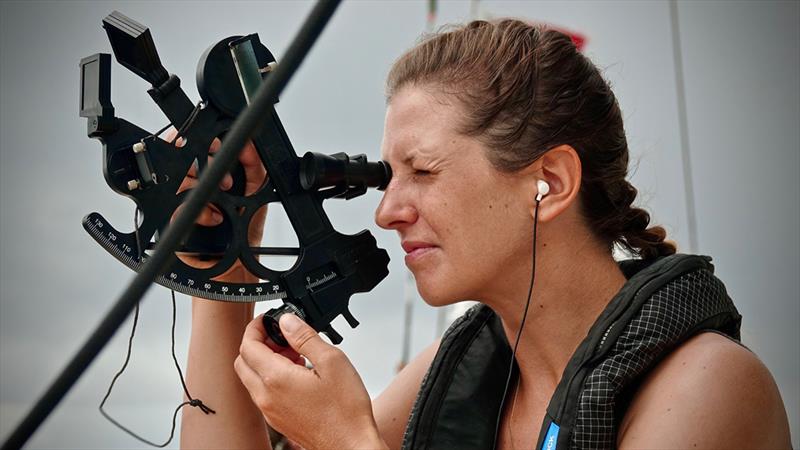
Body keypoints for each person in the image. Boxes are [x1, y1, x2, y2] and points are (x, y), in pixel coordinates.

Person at [179, 20, 792, 449]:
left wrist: (345, 441)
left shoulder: (710, 389)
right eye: (389, 177)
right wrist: (225, 261)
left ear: (549, 181)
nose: (386, 212)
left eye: (422, 171)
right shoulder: (458, 372)